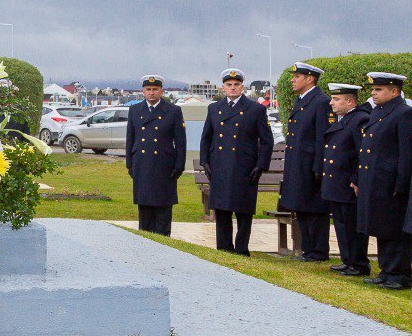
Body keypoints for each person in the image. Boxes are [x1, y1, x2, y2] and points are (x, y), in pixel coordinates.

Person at [200, 68, 274, 256]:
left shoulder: (255, 109)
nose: (232, 88)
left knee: (243, 210)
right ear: (223, 87)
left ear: (243, 87)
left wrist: (261, 165)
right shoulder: (214, 108)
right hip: (220, 166)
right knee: (222, 210)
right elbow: (206, 138)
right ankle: (224, 248)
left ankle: (242, 249)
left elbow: (267, 141)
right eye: (229, 85)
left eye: (236, 85)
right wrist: (205, 161)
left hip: (244, 167)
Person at [358, 72, 412, 290]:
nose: (373, 93)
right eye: (373, 89)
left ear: (394, 91)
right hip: (377, 181)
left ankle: (400, 274)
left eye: (378, 90)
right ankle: (386, 270)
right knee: (382, 227)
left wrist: (401, 185)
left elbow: (406, 153)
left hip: (392, 183)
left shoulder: (404, 114)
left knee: (395, 230)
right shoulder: (379, 112)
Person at [278, 62, 332, 261]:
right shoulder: (302, 100)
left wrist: (319, 166)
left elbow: (322, 137)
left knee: (315, 209)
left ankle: (318, 251)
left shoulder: (320, 102)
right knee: (301, 206)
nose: (292, 80)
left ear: (310, 79)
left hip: (310, 165)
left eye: (297, 77)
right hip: (298, 163)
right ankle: (308, 249)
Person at [124, 75, 186, 236]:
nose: (151, 93)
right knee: (144, 210)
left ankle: (163, 244)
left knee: (163, 209)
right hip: (142, 164)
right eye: (148, 89)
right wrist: (129, 163)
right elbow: (130, 138)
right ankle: (144, 244)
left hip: (164, 166)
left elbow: (180, 142)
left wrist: (179, 166)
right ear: (143, 91)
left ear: (161, 91)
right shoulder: (135, 110)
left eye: (155, 89)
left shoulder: (173, 111)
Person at [322, 83, 371, 277]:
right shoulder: (344, 119)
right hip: (337, 182)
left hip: (347, 182)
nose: (332, 103)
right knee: (341, 224)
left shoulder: (359, 119)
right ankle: (347, 259)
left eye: (336, 99)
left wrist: (356, 179)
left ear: (350, 101)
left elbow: (362, 153)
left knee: (351, 225)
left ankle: (358, 263)